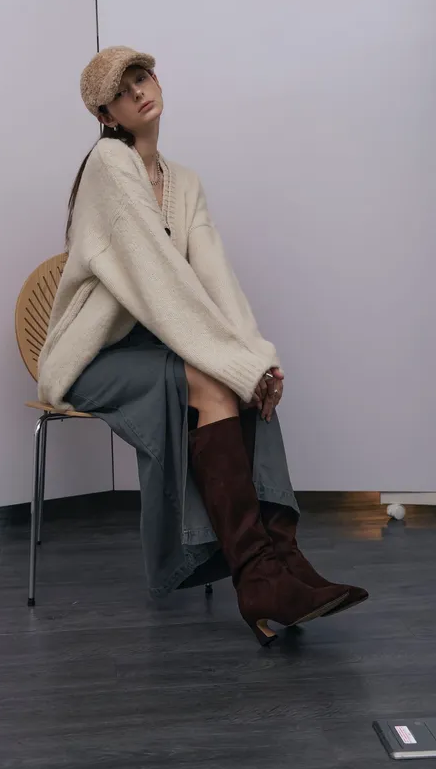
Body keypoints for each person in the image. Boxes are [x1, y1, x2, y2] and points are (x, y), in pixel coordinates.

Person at [38, 46, 368, 646]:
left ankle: (285, 564)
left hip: (156, 347)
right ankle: (258, 577)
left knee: (249, 385)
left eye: (143, 77)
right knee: (218, 380)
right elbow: (161, 282)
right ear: (106, 116)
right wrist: (233, 364)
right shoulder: (109, 165)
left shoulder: (184, 182)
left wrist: (258, 359)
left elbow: (216, 280)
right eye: (123, 91)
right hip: (93, 358)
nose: (140, 91)